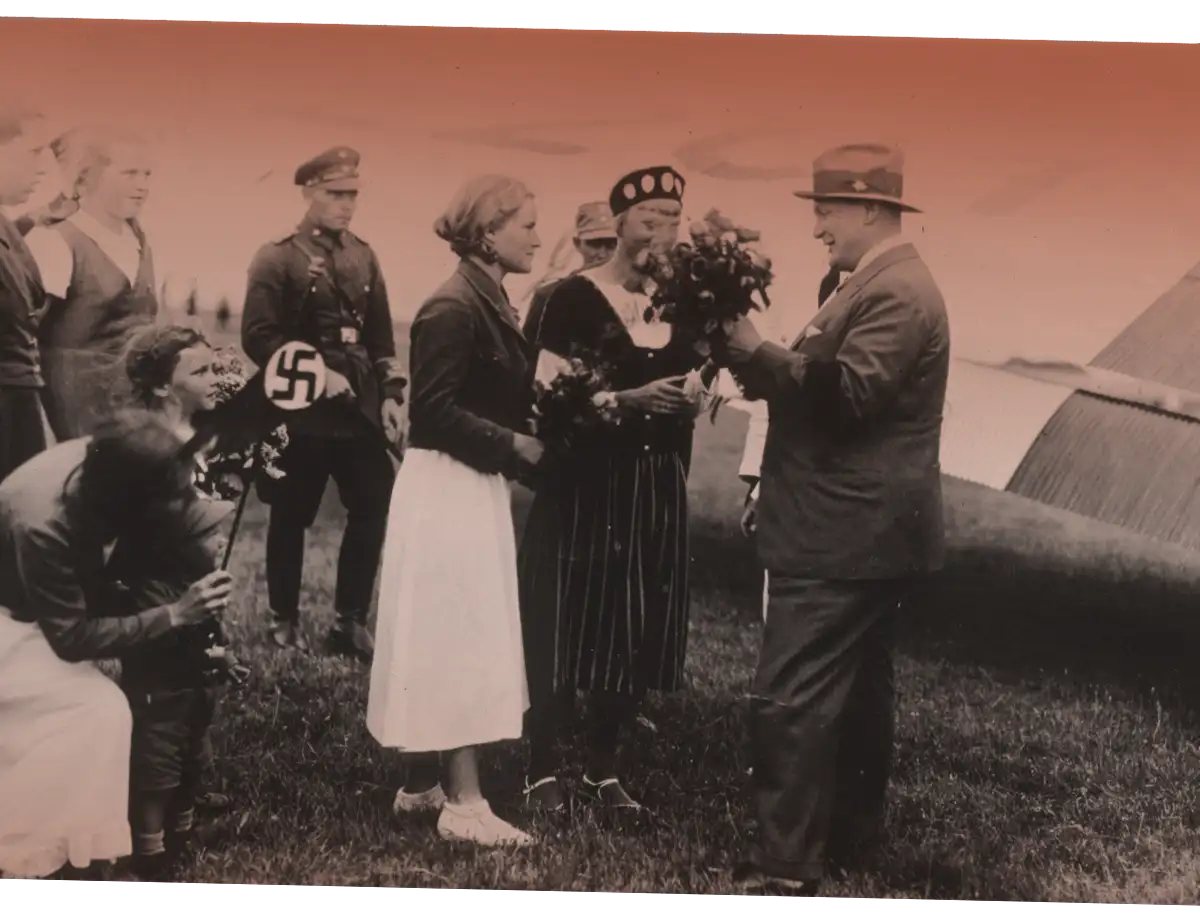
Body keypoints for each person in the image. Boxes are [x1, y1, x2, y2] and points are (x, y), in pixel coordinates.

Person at [716, 142, 950, 896]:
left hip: (839, 535)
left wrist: (757, 351)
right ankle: (848, 842)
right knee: (857, 694)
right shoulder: (877, 281)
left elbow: (847, 396)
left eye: (827, 209)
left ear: (872, 210)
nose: (818, 226)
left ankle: (787, 868)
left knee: (791, 696)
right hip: (864, 533)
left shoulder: (897, 291)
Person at [517, 165, 713, 813]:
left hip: (653, 486)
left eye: (672, 220)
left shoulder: (680, 304)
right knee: (565, 623)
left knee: (631, 627)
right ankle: (540, 769)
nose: (662, 231)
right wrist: (625, 401)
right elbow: (546, 399)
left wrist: (693, 400)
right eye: (650, 219)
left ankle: (605, 769)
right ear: (620, 224)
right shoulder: (573, 298)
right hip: (586, 486)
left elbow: (698, 381)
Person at [366, 174, 544, 846]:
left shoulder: (485, 296)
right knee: (457, 628)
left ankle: (420, 783)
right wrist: (516, 443)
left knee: (440, 623)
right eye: (526, 223)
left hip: (467, 482)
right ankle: (464, 804)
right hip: (448, 483)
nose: (536, 235)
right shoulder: (453, 306)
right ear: (488, 232)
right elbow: (433, 415)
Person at [0, 411, 233, 882]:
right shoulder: (45, 520)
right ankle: (50, 853)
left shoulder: (116, 464)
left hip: (41, 611)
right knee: (99, 707)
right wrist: (174, 614)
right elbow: (70, 639)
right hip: (12, 624)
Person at [241, 146, 406, 662]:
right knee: (291, 513)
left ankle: (350, 621)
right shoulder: (277, 256)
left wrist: (393, 396)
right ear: (309, 193)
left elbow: (380, 338)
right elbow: (258, 335)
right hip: (301, 411)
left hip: (356, 409)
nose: (346, 205)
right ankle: (282, 621)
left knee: (373, 504)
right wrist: (317, 372)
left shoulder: (363, 254)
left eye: (352, 195)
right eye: (335, 194)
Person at [105, 493, 238, 881]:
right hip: (160, 701)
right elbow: (157, 644)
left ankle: (182, 827)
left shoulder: (195, 585)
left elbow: (211, 638)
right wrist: (188, 616)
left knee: (192, 763)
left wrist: (226, 657)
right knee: (157, 773)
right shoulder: (154, 595)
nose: (220, 540)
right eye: (209, 532)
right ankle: (150, 847)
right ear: (174, 548)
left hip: (194, 697)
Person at [25, 124, 160, 443]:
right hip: (74, 413)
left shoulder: (139, 241)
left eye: (147, 174)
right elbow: (20, 339)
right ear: (87, 176)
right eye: (129, 173)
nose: (142, 185)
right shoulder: (55, 242)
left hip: (134, 410)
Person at [0, 101, 53, 484]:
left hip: (17, 395)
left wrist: (34, 219)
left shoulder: (6, 223)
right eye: (33, 152)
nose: (43, 167)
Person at [516, 200, 617, 308]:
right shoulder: (549, 296)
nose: (602, 254)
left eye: (611, 244)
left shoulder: (632, 295)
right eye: (594, 244)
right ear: (577, 243)